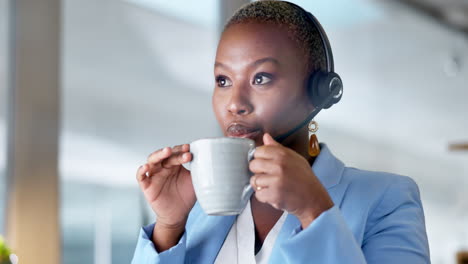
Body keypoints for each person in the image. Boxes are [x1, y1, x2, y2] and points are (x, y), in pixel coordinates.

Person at [131, 1, 430, 263]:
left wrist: (314, 211)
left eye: (261, 78)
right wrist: (168, 228)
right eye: (223, 80)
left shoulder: (387, 199)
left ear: (319, 91)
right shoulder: (196, 215)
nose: (235, 103)